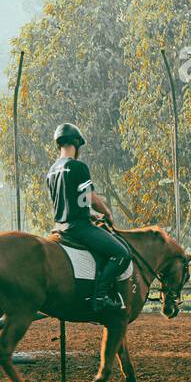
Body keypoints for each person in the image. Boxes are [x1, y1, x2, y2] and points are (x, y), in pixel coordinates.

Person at [45, 123, 130, 313]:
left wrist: (90, 214)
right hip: (79, 228)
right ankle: (100, 296)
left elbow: (66, 202)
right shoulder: (78, 166)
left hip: (60, 227)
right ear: (77, 143)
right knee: (122, 253)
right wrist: (106, 212)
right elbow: (89, 198)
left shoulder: (51, 171)